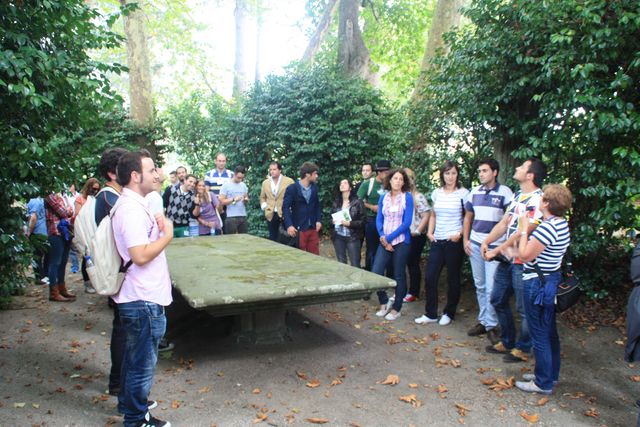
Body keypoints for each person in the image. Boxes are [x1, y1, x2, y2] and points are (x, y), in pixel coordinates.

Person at [111, 150, 173, 427]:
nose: (157, 174)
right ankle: (137, 420)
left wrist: (158, 228)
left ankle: (129, 405)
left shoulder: (137, 205)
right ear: (135, 176)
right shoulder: (131, 209)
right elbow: (139, 255)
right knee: (141, 365)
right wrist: (168, 235)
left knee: (134, 359)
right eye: (151, 170)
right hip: (142, 299)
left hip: (140, 296)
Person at [482, 157, 547, 363]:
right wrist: (488, 241)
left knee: (524, 308)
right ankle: (508, 341)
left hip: (524, 261)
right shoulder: (519, 196)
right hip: (508, 259)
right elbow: (505, 223)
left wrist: (497, 249)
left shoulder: (538, 200)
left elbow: (524, 231)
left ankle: (523, 348)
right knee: (498, 299)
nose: (517, 168)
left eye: (522, 167)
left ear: (530, 175)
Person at [514, 184, 571, 394]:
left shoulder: (548, 228)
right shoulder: (561, 224)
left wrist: (523, 230)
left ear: (546, 203)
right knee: (549, 332)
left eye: (543, 198)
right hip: (550, 279)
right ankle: (549, 374)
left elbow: (525, 255)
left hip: (537, 284)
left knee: (539, 333)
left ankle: (542, 382)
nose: (540, 200)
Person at [462, 159, 513, 343]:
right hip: (475, 244)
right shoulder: (474, 192)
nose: (481, 174)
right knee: (480, 285)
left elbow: (509, 221)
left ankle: (492, 325)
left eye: (485, 170)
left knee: (492, 288)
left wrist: (504, 246)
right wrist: (466, 240)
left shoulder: (505, 193)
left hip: (494, 248)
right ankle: (484, 321)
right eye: (480, 171)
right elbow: (468, 217)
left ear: (495, 172)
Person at [416, 160, 469, 326]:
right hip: (437, 240)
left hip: (453, 241)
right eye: (447, 173)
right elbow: (433, 215)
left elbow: (468, 217)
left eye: (453, 173)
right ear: (442, 175)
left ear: (457, 175)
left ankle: (449, 312)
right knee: (430, 277)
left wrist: (460, 234)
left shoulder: (464, 193)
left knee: (453, 278)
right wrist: (430, 233)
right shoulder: (436, 193)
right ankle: (431, 313)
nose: (450, 176)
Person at [372, 168, 414, 321]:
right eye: (395, 178)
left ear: (404, 182)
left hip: (402, 241)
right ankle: (383, 301)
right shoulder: (384, 197)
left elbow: (406, 223)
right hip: (384, 240)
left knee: (398, 275)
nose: (398, 181)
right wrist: (383, 237)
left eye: (401, 179)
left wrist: (389, 238)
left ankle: (397, 308)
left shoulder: (407, 198)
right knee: (376, 272)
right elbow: (379, 219)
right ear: (390, 180)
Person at [403, 168, 431, 302]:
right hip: (403, 235)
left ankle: (413, 292)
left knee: (412, 262)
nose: (408, 180)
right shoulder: (400, 195)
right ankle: (404, 290)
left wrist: (418, 231)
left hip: (415, 236)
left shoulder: (418, 197)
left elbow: (426, 215)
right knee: (403, 262)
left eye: (410, 177)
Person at [358, 160, 391, 271]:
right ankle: (371, 272)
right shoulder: (368, 184)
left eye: (388, 172)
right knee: (372, 248)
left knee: (387, 246)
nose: (386, 174)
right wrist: (372, 207)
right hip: (371, 220)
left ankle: (386, 273)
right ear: (378, 172)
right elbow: (357, 201)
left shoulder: (391, 184)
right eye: (384, 172)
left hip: (388, 221)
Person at [283, 162, 322, 255]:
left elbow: (317, 205)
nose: (317, 176)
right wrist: (289, 225)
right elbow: (285, 207)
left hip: (313, 228)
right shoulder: (292, 188)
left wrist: (319, 220)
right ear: (307, 175)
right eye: (315, 173)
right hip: (298, 228)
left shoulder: (314, 188)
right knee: (298, 256)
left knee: (315, 257)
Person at [44, 191, 76, 302]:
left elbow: (71, 210)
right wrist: (67, 211)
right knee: (55, 263)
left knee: (63, 263)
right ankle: (54, 292)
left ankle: (62, 289)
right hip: (55, 233)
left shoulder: (63, 194)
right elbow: (63, 212)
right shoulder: (49, 195)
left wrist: (68, 211)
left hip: (65, 232)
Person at [330, 179, 365, 267]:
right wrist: (333, 221)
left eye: (345, 183)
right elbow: (331, 217)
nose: (342, 184)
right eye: (341, 183)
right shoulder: (337, 202)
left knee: (355, 264)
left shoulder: (357, 202)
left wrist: (350, 224)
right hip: (338, 236)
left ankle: (356, 281)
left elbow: (363, 221)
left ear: (350, 187)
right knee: (341, 263)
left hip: (352, 237)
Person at [74, 178, 101, 294]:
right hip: (84, 232)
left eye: (97, 189)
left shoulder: (96, 200)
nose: (95, 191)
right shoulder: (80, 200)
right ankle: (87, 283)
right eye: (93, 188)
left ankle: (96, 281)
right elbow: (78, 217)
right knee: (87, 257)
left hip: (94, 231)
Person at [259, 162, 294, 241]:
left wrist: (291, 208)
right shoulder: (265, 183)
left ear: (280, 170)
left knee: (287, 237)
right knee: (273, 237)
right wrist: (264, 206)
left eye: (274, 169)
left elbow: (294, 196)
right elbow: (262, 197)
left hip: (285, 212)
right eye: (270, 169)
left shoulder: (289, 181)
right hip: (270, 213)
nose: (272, 171)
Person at [219, 166, 249, 234]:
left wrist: (246, 200)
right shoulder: (226, 185)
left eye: (242, 178)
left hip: (243, 215)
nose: (240, 180)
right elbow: (221, 201)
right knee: (231, 240)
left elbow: (246, 199)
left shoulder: (243, 185)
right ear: (234, 174)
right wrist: (233, 199)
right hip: (230, 217)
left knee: (244, 238)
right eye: (238, 177)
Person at [26, 197, 49, 285]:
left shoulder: (34, 201)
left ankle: (40, 277)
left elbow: (33, 218)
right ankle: (45, 276)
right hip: (45, 231)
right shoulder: (41, 201)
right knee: (45, 255)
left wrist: (29, 232)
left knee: (37, 257)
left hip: (37, 232)